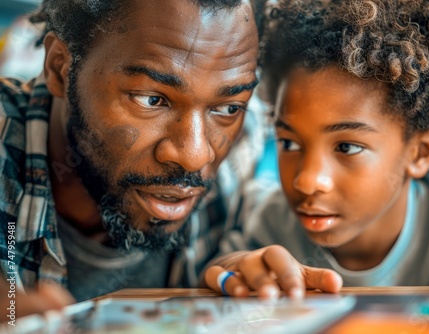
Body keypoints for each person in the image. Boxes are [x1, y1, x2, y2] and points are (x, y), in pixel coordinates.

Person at [204, 0, 429, 298]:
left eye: (346, 147)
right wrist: (233, 270)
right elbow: (224, 270)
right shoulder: (269, 224)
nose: (306, 181)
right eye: (289, 143)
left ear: (421, 152)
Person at [0, 0, 266, 310]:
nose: (195, 156)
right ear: (60, 67)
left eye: (228, 108)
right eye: (151, 99)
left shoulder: (245, 142)